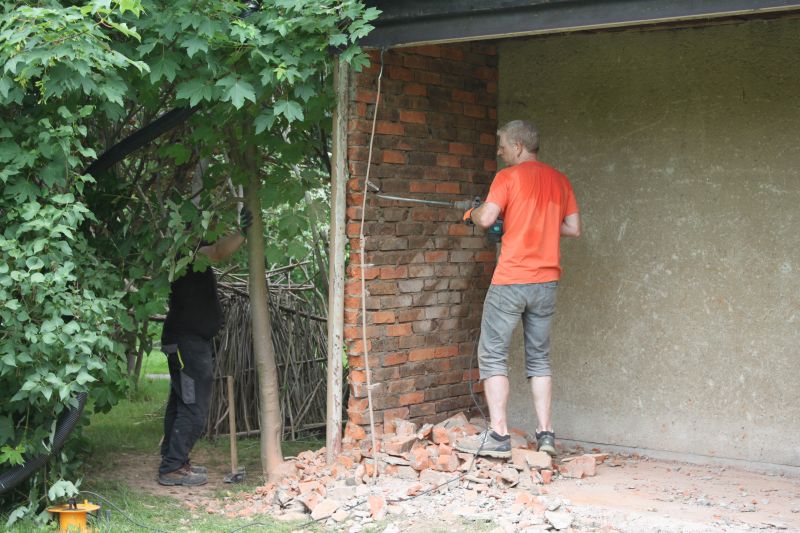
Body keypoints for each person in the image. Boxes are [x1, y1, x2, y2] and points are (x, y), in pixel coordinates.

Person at [454, 120, 580, 459]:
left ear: (519, 147)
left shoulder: (506, 178)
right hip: (546, 283)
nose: (499, 150)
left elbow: (485, 219)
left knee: (493, 354)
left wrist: (472, 212)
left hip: (511, 279)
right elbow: (573, 227)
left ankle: (497, 436)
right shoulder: (559, 180)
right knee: (539, 358)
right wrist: (532, 223)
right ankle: (546, 434)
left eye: (503, 145)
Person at [157, 209, 252, 486]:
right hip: (188, 345)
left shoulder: (185, 255)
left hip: (184, 340)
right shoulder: (190, 254)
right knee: (193, 406)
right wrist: (243, 233)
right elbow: (221, 251)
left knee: (179, 403)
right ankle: (172, 467)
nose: (213, 232)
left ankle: (173, 460)